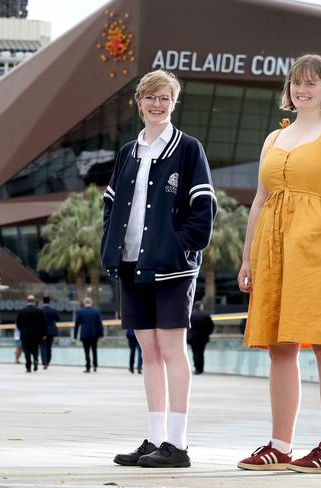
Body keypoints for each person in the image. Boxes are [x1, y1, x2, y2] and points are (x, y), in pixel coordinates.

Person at [236, 54, 321, 474]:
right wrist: (247, 255)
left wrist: (317, 223)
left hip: (315, 250)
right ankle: (280, 445)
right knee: (279, 348)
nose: (302, 89)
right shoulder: (274, 139)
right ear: (288, 89)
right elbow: (260, 199)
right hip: (272, 251)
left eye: (312, 82)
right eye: (296, 82)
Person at [101, 70, 216, 469]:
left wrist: (181, 248)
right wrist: (109, 248)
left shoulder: (188, 149)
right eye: (150, 97)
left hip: (171, 269)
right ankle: (154, 438)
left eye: (165, 98)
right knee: (148, 351)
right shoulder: (128, 153)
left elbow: (204, 210)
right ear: (139, 101)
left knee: (171, 350)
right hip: (132, 264)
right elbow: (111, 205)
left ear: (173, 102)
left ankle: (178, 444)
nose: (157, 104)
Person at [15, 295, 47, 373]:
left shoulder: (22, 311)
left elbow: (18, 324)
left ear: (27, 301)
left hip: (25, 334)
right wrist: (43, 334)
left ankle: (28, 366)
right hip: (36, 335)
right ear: (34, 301)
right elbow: (43, 324)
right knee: (35, 349)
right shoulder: (39, 311)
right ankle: (35, 360)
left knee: (27, 350)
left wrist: (22, 330)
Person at [73, 298, 104, 373]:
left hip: (84, 335)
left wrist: (75, 335)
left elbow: (77, 324)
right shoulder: (96, 311)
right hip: (94, 335)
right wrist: (101, 334)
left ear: (84, 303)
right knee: (94, 350)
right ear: (91, 303)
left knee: (86, 351)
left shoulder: (81, 312)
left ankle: (88, 367)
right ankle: (95, 366)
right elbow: (100, 324)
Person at [187, 301, 214, 375]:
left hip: (192, 337)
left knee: (195, 353)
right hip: (203, 337)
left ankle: (196, 369)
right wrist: (207, 333)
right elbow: (211, 326)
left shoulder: (190, 315)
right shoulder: (206, 315)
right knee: (201, 353)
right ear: (200, 306)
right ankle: (201, 369)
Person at [40, 296, 60, 369]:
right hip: (51, 331)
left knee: (43, 347)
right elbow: (58, 319)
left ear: (43, 301)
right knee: (49, 347)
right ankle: (47, 362)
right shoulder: (53, 310)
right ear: (49, 302)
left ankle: (44, 362)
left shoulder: (40, 310)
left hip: (41, 331)